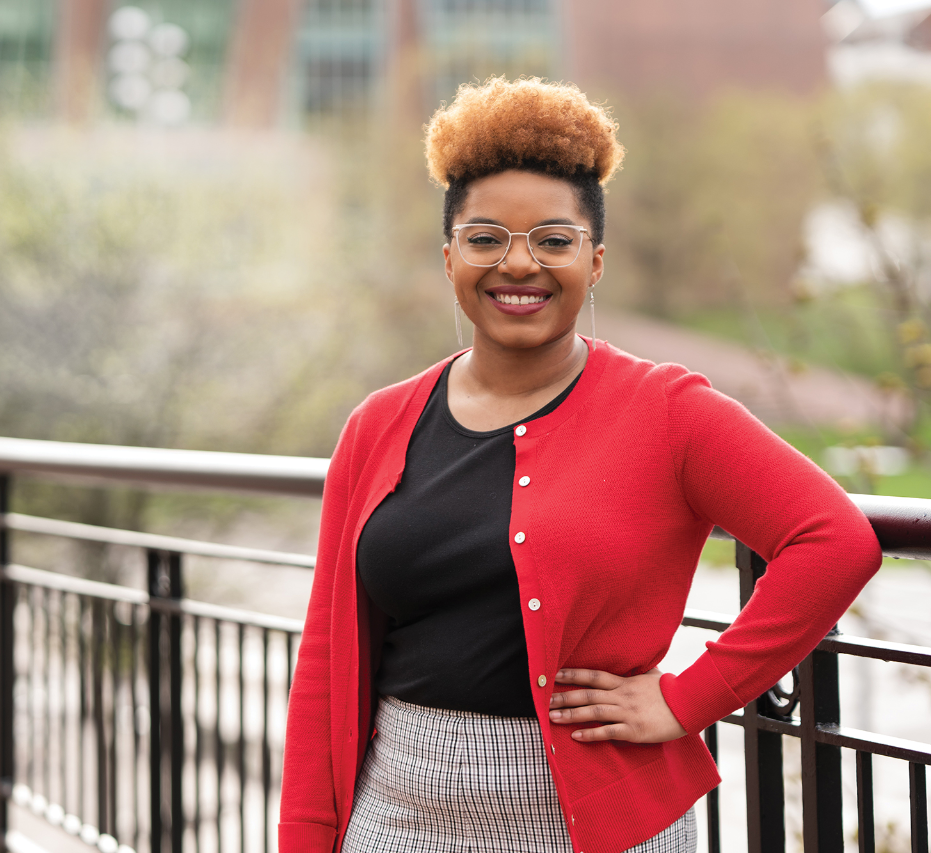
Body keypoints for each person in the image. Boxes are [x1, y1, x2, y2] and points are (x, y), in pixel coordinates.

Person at [278, 77, 882, 853]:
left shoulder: (668, 410)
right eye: (486, 237)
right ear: (451, 257)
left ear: (594, 263)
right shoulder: (377, 424)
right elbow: (325, 660)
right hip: (397, 812)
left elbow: (834, 538)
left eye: (554, 241)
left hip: (598, 822)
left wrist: (691, 696)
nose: (518, 264)